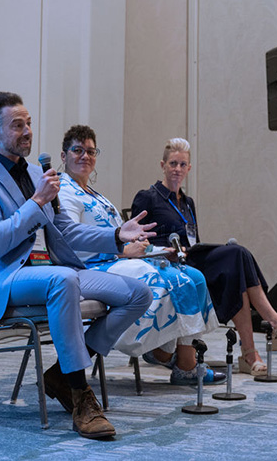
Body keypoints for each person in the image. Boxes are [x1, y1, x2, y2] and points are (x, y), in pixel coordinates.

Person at [0, 92, 154, 439]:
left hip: (50, 271)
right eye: (17, 126)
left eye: (29, 123)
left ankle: (62, 373)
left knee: (138, 293)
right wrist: (36, 202)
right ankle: (80, 394)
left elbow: (64, 231)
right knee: (63, 280)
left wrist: (117, 234)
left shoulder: (35, 172)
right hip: (1, 278)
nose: (27, 131)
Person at [131, 138, 277, 376]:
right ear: (163, 165)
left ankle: (253, 352)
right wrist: (160, 250)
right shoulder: (148, 197)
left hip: (189, 260)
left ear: (189, 169)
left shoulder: (187, 203)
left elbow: (193, 240)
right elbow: (136, 242)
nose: (177, 169)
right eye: (173, 163)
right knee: (236, 256)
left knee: (236, 265)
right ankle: (274, 329)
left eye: (182, 164)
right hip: (165, 265)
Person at [56, 125, 224, 386]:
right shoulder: (65, 191)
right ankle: (164, 353)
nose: (85, 156)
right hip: (91, 266)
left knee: (195, 277)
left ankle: (176, 359)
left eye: (90, 151)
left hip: (116, 258)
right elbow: (71, 239)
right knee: (169, 279)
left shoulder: (95, 194)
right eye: (78, 150)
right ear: (64, 156)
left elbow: (120, 234)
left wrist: (145, 247)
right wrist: (122, 250)